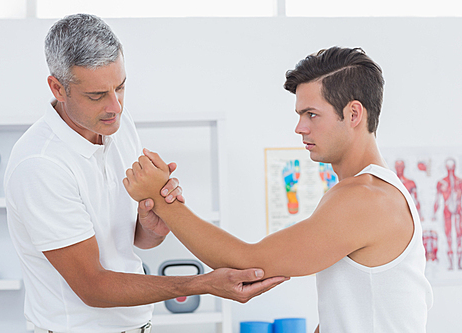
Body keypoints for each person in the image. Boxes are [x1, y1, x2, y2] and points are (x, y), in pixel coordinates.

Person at [4, 14, 287, 333]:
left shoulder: (118, 128)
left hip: (137, 324)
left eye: (121, 87)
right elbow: (92, 286)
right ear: (58, 88)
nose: (116, 106)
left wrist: (151, 225)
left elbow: (134, 243)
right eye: (97, 96)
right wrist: (203, 284)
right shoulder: (40, 164)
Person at [124, 47, 434, 333]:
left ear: (353, 114)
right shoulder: (364, 193)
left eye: (311, 114)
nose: (300, 127)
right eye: (300, 115)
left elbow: (247, 262)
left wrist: (162, 199)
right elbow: (350, 312)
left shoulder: (366, 199)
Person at [432, 158, 462, 270]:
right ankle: (451, 264)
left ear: (455, 167)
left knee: (459, 238)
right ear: (446, 168)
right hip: (447, 213)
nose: (450, 170)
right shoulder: (441, 183)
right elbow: (437, 200)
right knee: (449, 238)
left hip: (459, 212)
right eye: (448, 168)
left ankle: (459, 264)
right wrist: (433, 213)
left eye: (452, 167)